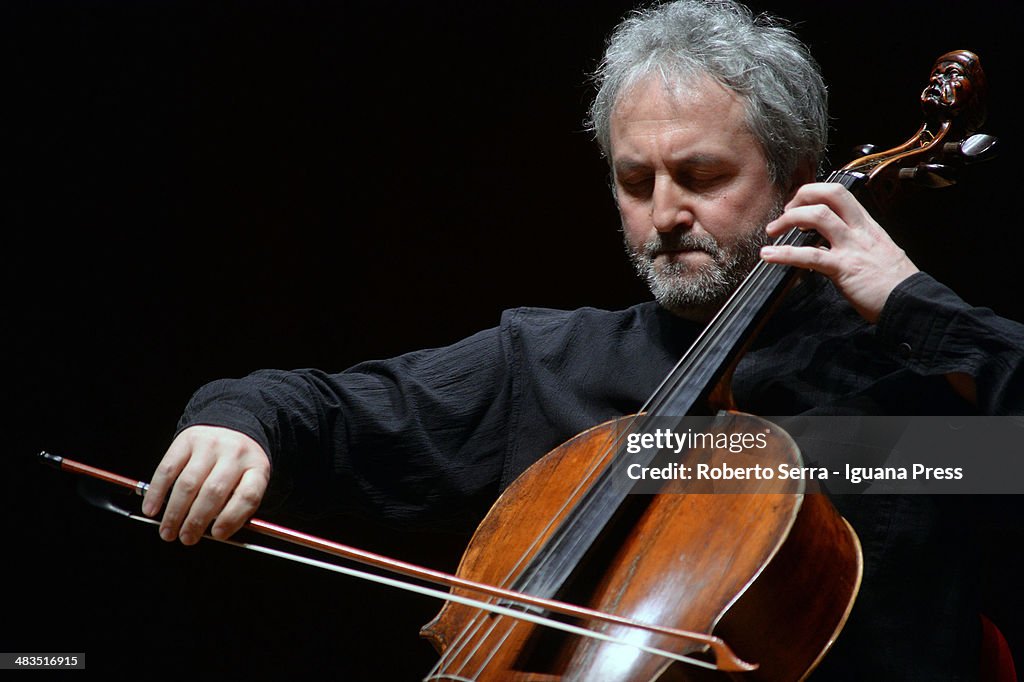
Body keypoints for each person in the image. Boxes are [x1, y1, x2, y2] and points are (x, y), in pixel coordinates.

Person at [141, 0, 1023, 678]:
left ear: (798, 177)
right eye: (635, 181)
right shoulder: (549, 367)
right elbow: (321, 410)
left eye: (703, 175)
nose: (666, 214)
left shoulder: (906, 386)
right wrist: (235, 421)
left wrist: (913, 305)